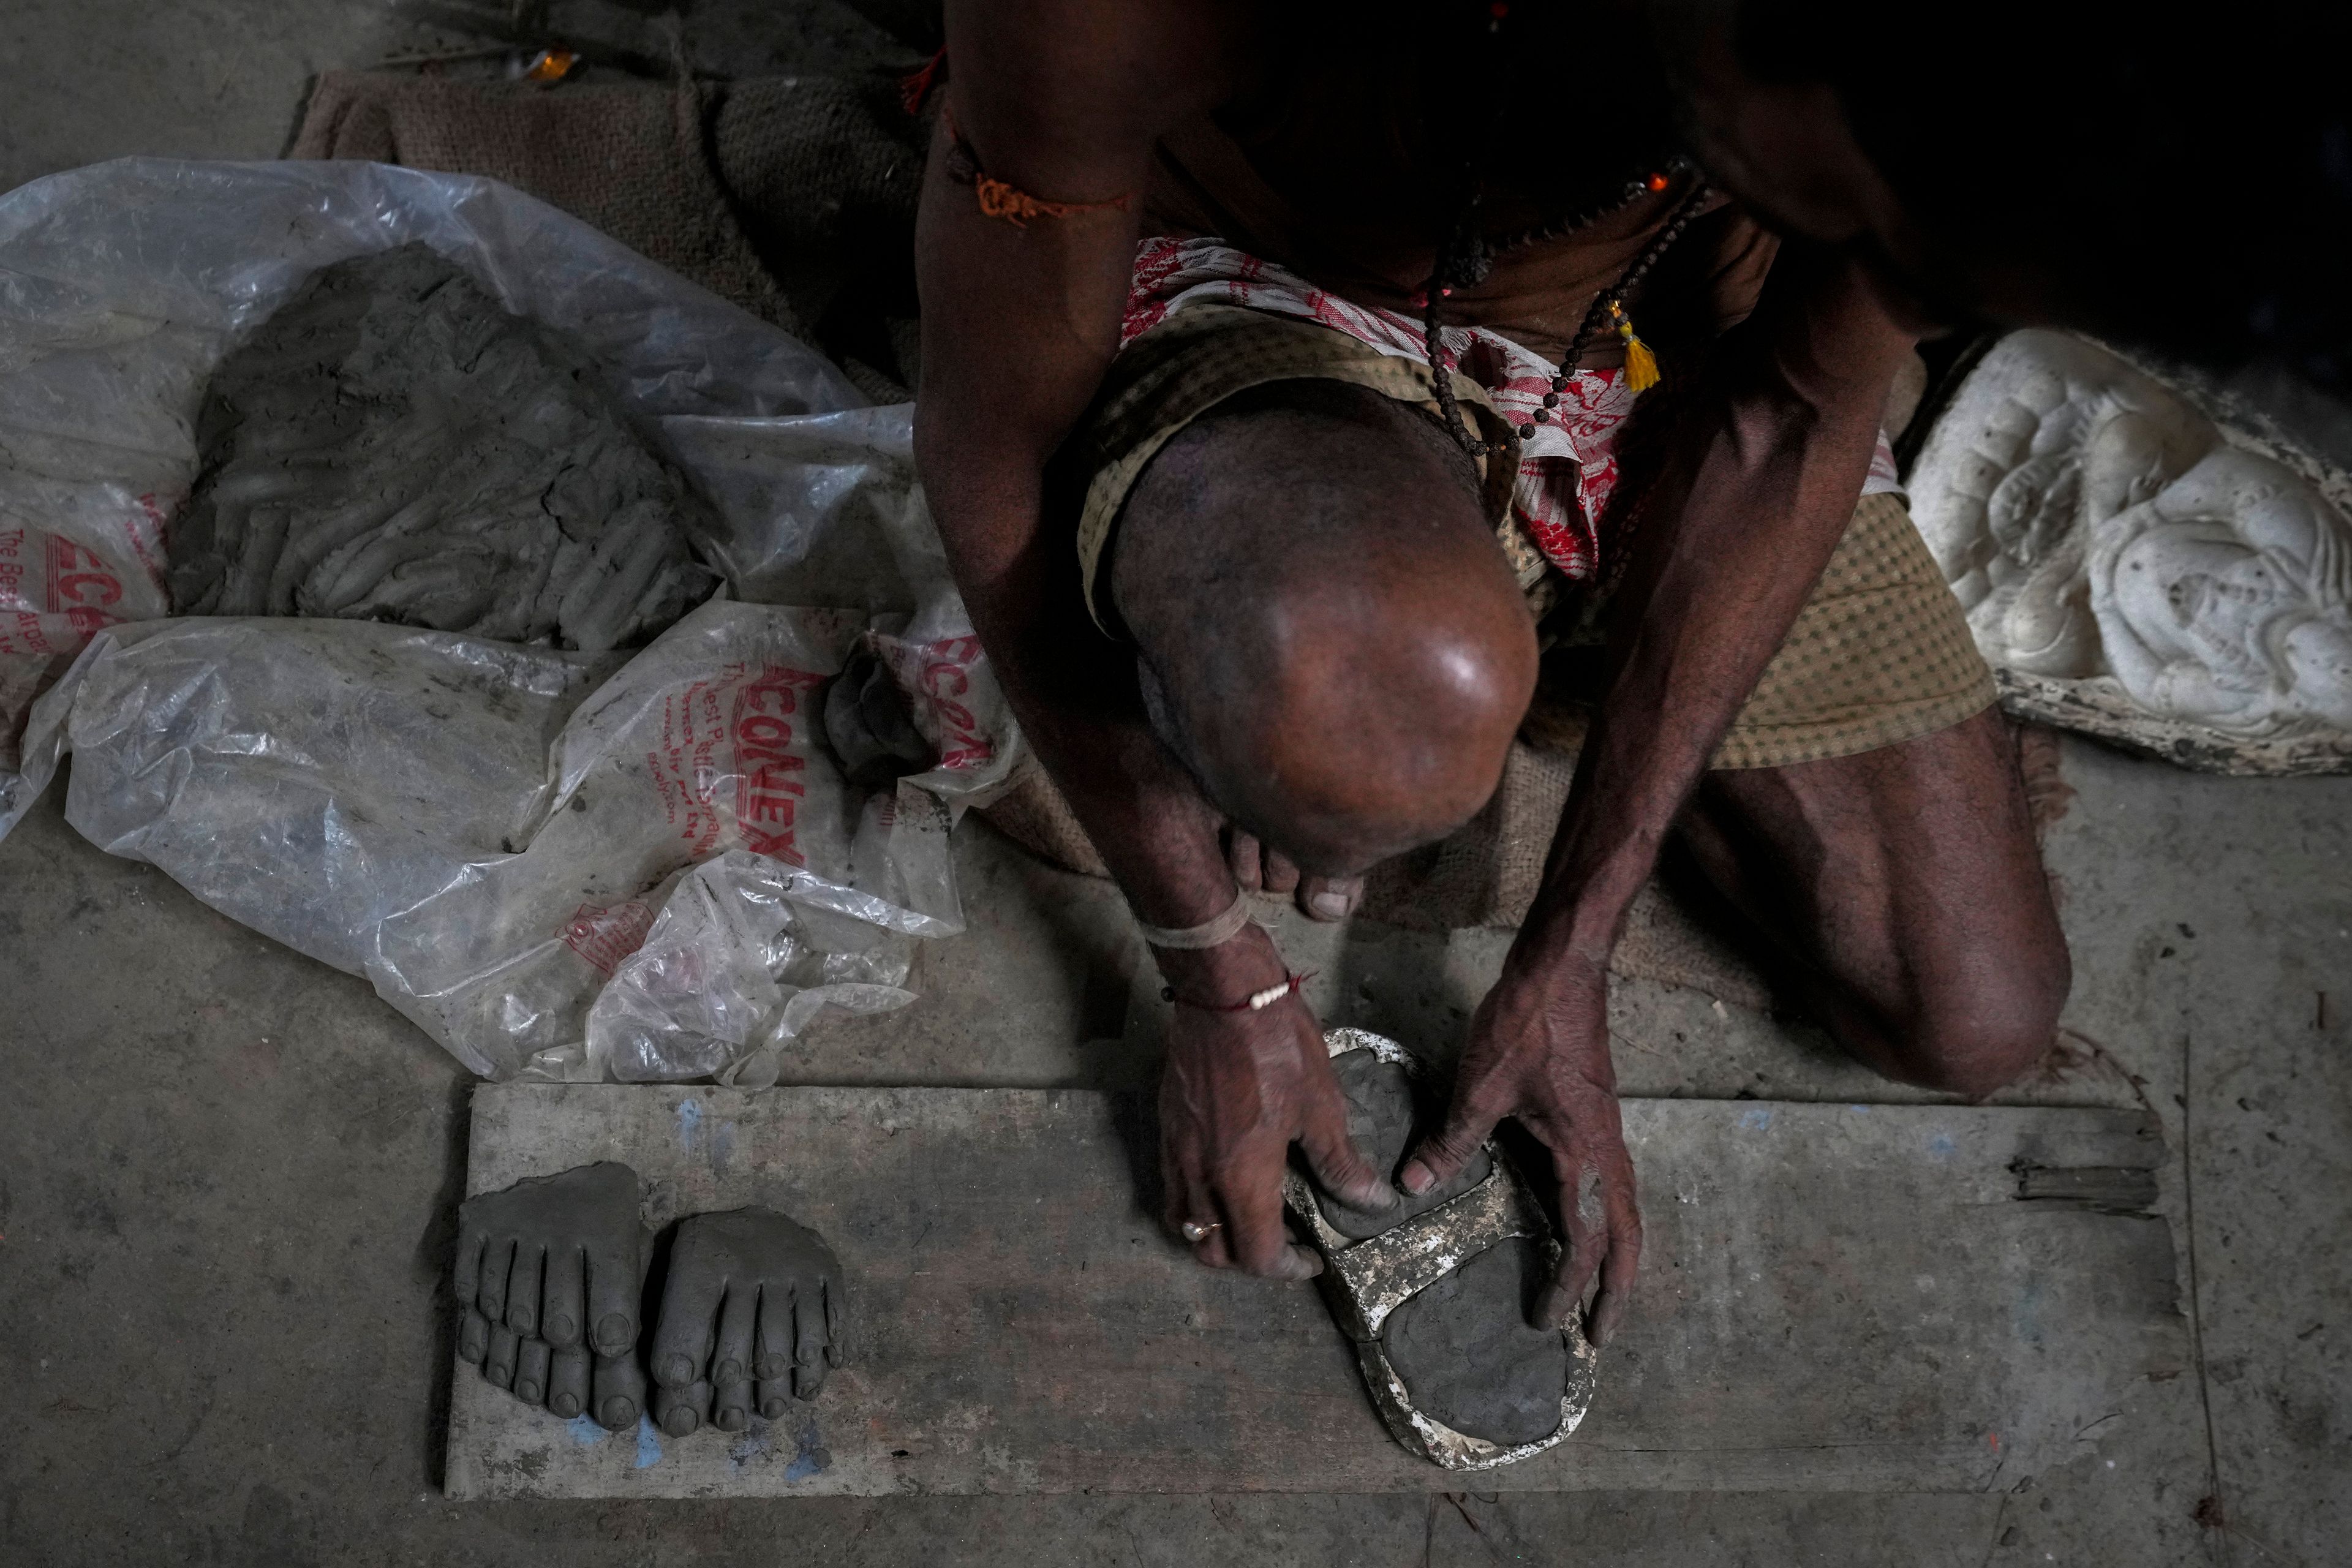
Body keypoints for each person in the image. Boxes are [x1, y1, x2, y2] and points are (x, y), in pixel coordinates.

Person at [907, 0, 2351, 1345]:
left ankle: (1414, 663)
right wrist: (1213, 967)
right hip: (1279, 293)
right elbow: (993, 456)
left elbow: (1791, 412)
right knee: (1372, 730)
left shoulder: (1979, 107)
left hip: (1670, 366)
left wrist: (1572, 944)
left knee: (1975, 1008)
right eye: (1855, 210)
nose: (1874, 250)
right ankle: (1333, 660)